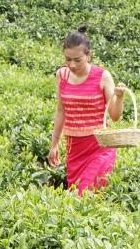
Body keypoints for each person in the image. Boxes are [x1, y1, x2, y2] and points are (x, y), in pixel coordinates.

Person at [47, 26, 127, 195]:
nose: (72, 65)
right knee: (76, 195)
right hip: (74, 149)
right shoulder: (62, 75)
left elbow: (114, 116)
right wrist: (54, 145)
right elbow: (61, 111)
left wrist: (119, 97)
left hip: (99, 147)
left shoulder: (102, 76)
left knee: (86, 194)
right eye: (68, 59)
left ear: (89, 55)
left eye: (78, 60)